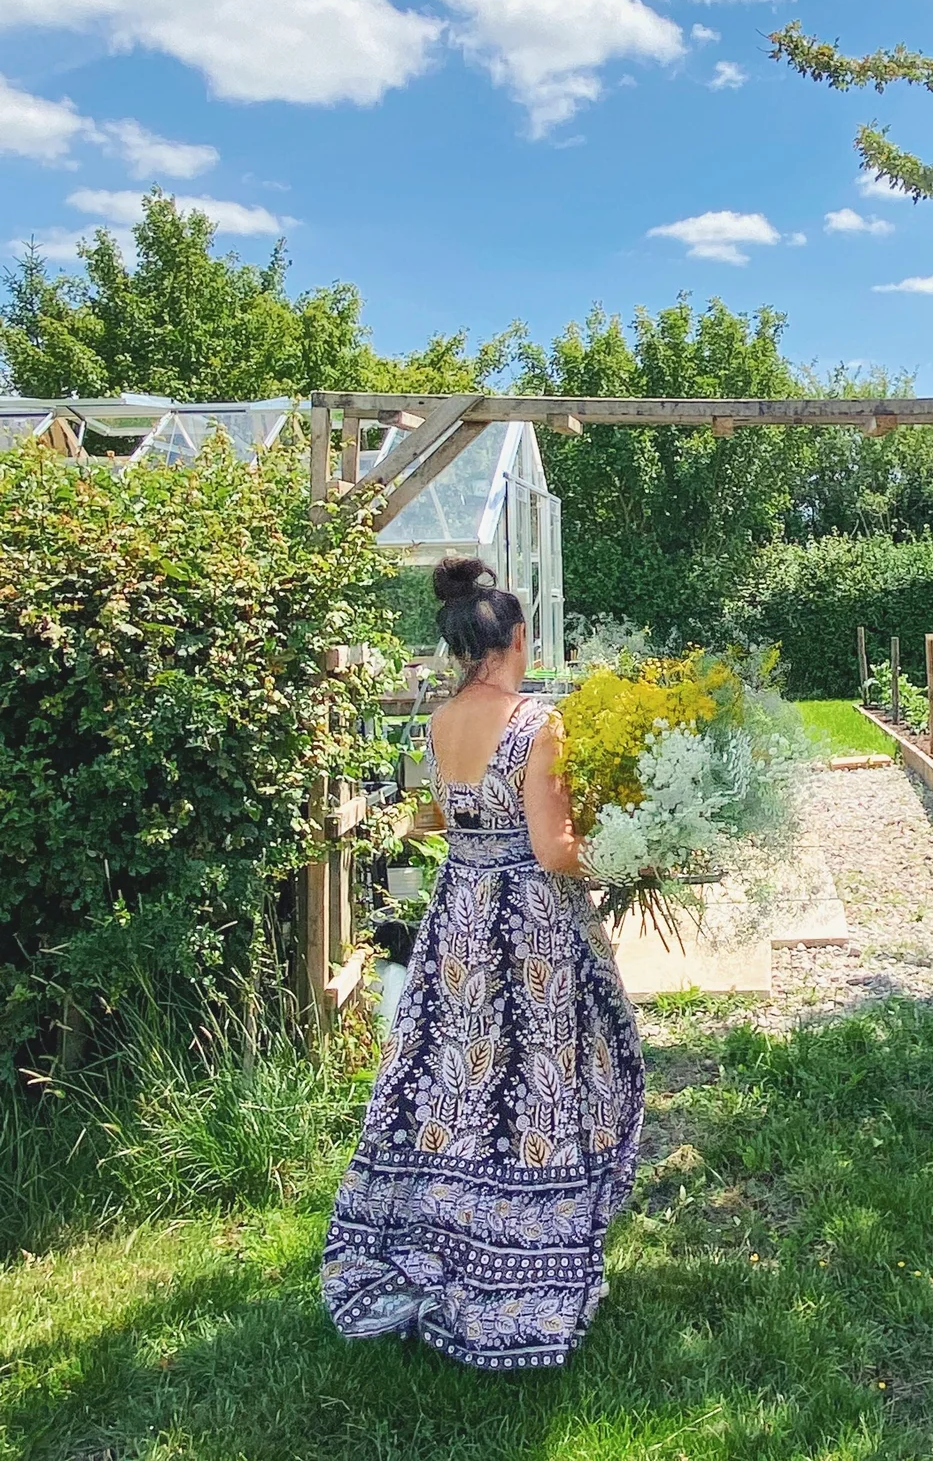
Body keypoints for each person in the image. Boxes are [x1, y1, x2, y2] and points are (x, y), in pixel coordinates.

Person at [322, 557, 644, 1371]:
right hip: (531, 928)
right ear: (517, 638)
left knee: (463, 1075)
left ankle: (446, 1218)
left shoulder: (437, 723)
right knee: (552, 1069)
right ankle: (532, 1236)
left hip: (459, 920)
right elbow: (554, 849)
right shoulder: (539, 723)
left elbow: (442, 816)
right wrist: (632, 852)